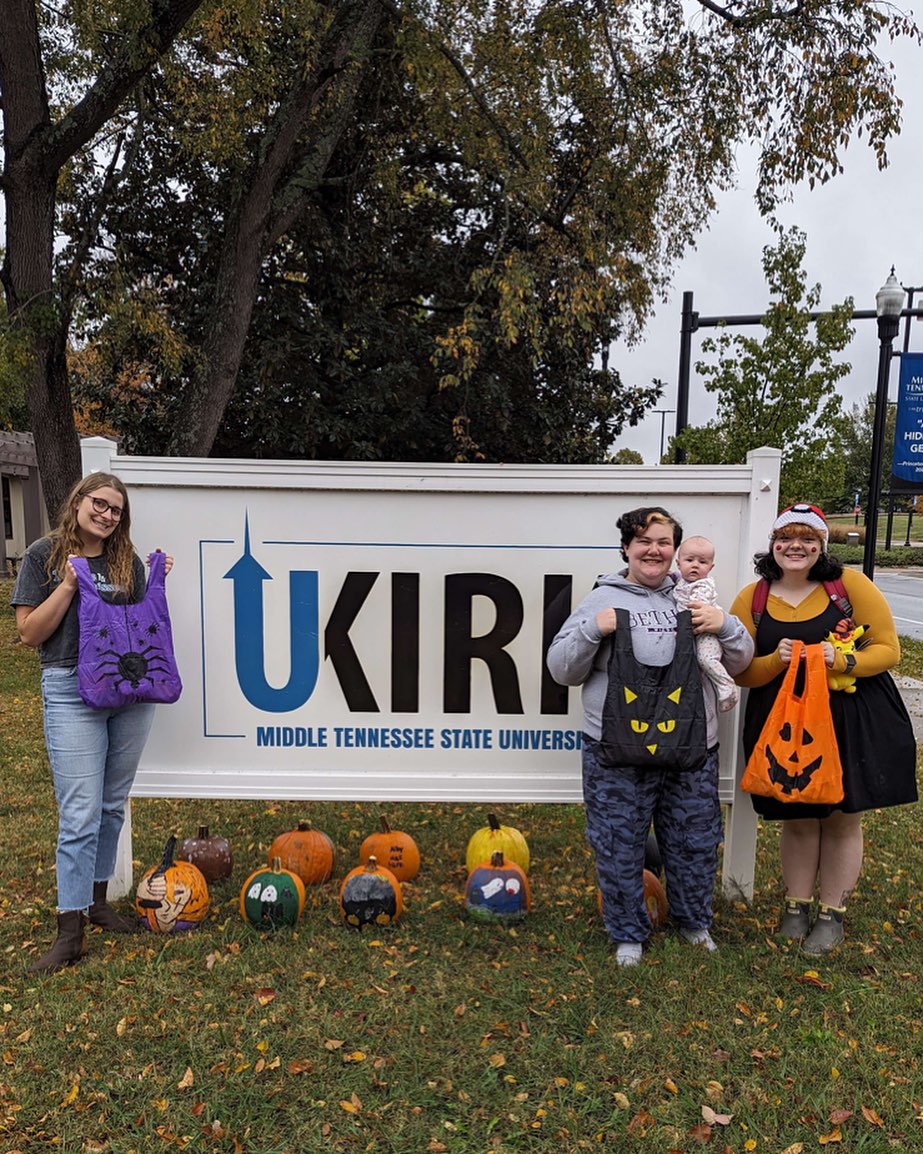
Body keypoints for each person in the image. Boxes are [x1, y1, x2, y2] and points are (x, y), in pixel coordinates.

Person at [546, 507, 754, 967]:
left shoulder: (696, 599)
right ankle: (627, 935)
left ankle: (695, 923)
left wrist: (725, 625)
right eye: (644, 541)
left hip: (691, 749)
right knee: (619, 842)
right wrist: (593, 628)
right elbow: (561, 668)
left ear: (675, 551)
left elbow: (741, 663)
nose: (654, 550)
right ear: (626, 548)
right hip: (614, 750)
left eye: (663, 542)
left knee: (694, 839)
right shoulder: (601, 599)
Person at [730, 503, 917, 955]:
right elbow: (740, 671)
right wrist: (777, 660)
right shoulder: (752, 598)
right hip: (783, 720)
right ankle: (796, 908)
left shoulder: (848, 587)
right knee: (796, 819)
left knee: (840, 817)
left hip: (847, 717)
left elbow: (889, 650)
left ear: (822, 546)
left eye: (807, 538)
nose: (796, 546)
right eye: (786, 539)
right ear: (773, 546)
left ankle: (831, 913)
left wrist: (844, 659)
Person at [11, 472, 174, 973]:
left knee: (109, 805)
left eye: (116, 510)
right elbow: (28, 633)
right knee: (79, 811)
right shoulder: (45, 554)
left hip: (131, 688)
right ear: (78, 501)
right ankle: (70, 930)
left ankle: (98, 901)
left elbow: (144, 622)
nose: (106, 515)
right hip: (69, 688)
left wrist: (159, 577)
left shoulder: (127, 560)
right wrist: (67, 585)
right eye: (99, 504)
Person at [674, 536, 740, 713]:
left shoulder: (703, 586)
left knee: (705, 659)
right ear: (678, 563)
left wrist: (680, 631)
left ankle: (726, 687)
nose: (695, 565)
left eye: (702, 562)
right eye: (689, 560)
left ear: (711, 567)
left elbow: (695, 611)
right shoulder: (682, 581)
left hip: (706, 632)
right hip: (694, 631)